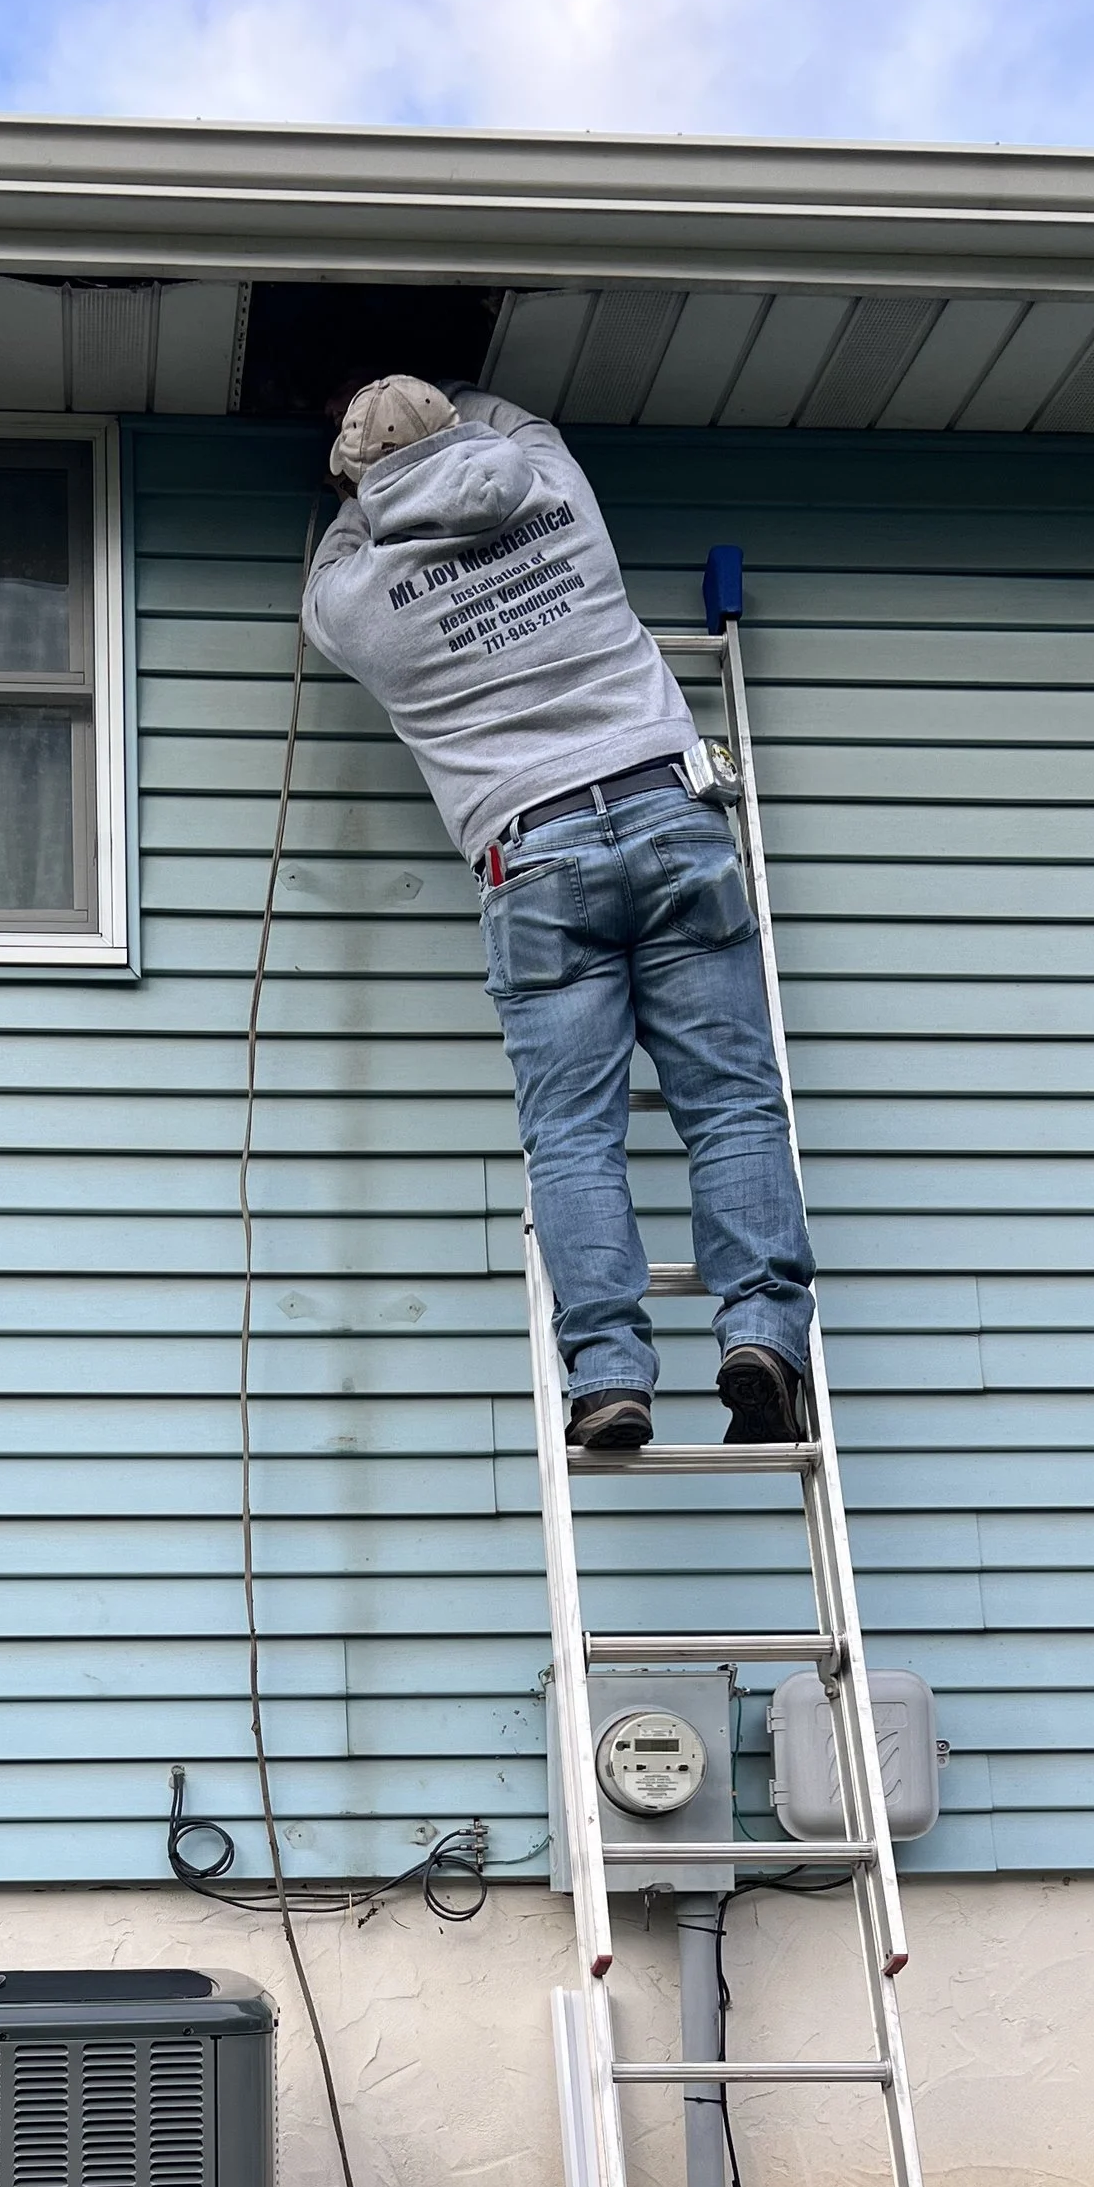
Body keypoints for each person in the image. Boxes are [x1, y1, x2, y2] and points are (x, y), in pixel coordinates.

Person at [302, 372, 814, 1452]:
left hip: (532, 851)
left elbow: (330, 566)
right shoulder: (554, 489)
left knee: (572, 1138)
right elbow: (512, 421)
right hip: (668, 808)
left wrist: (365, 487)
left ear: (357, 481)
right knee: (729, 1104)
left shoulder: (358, 604)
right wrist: (456, 402)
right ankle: (762, 1332)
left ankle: (610, 1376)